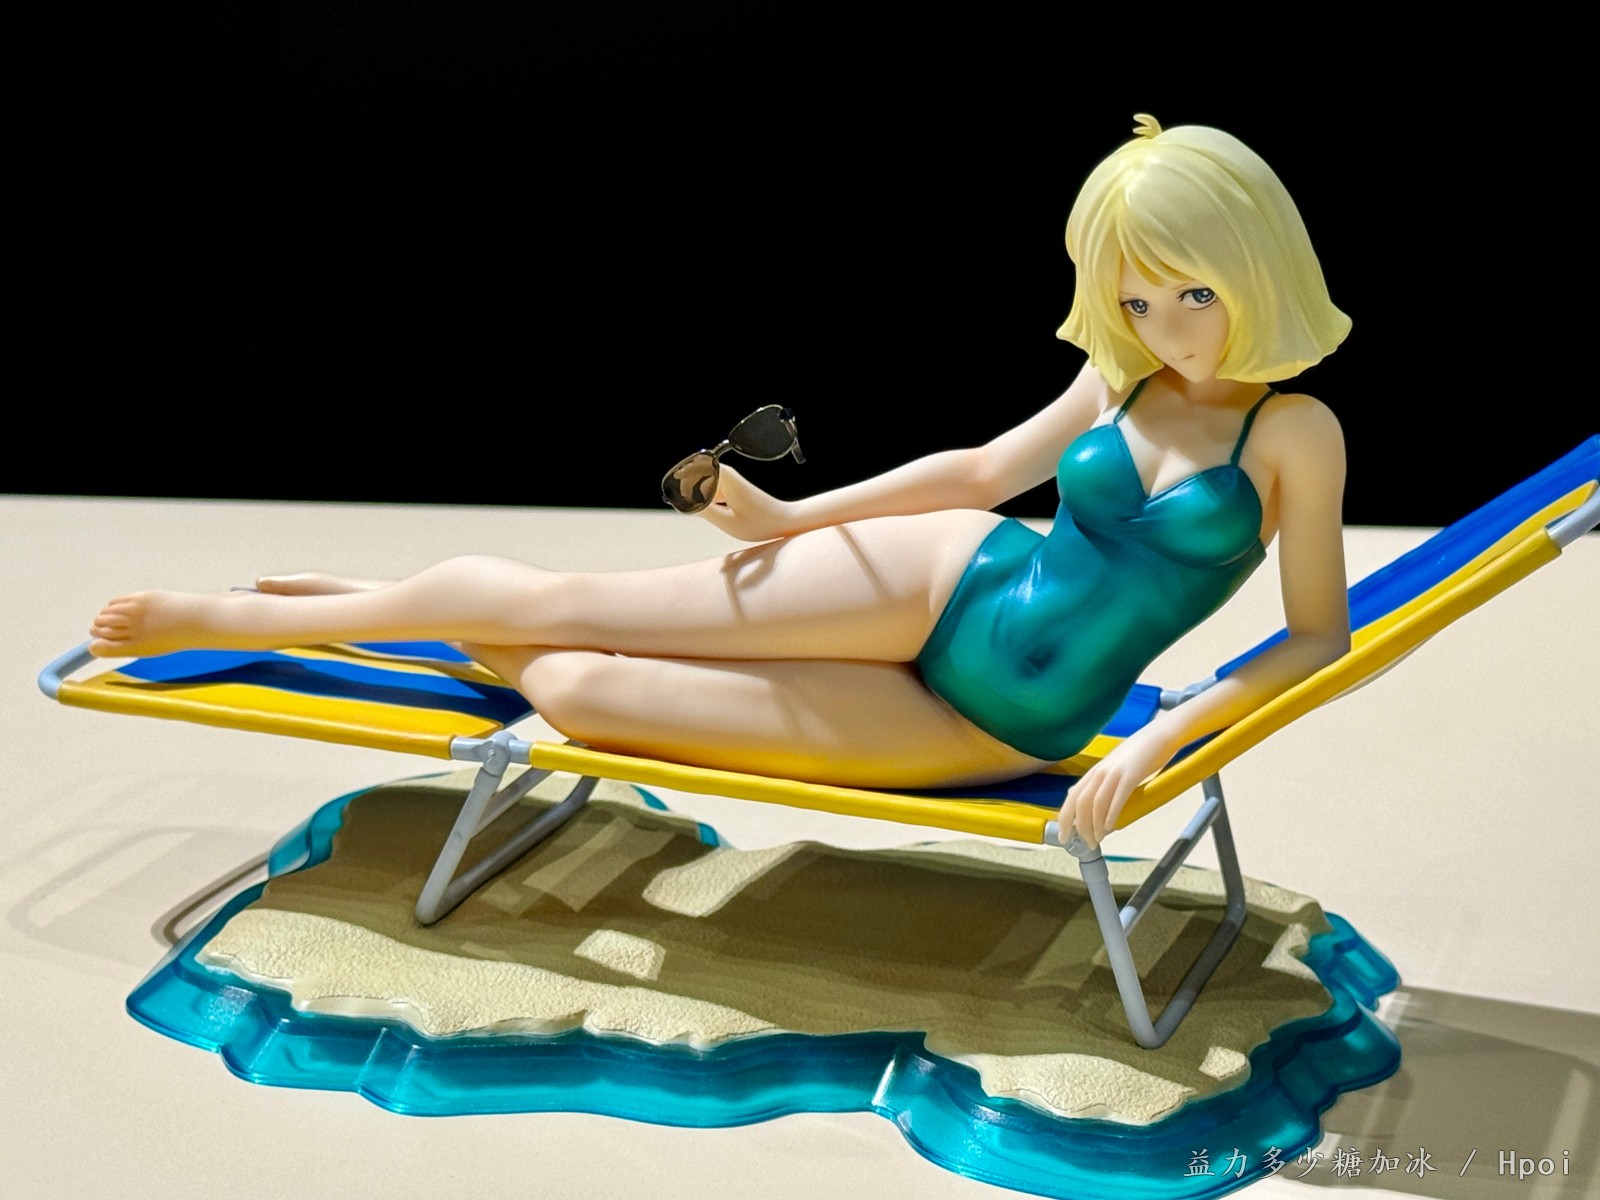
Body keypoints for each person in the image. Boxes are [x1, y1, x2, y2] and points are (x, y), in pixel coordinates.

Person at [88, 116, 1351, 850]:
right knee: (581, 601)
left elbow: (1315, 636)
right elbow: (979, 470)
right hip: (945, 574)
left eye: (1192, 292)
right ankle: (252, 618)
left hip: (994, 725)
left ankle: (391, 615)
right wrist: (794, 518)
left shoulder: (1294, 433)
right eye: (1135, 300)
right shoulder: (1117, 378)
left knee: (579, 688)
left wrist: (1159, 737)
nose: (1165, 325)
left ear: (1255, 269)